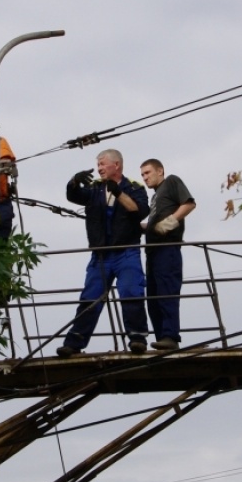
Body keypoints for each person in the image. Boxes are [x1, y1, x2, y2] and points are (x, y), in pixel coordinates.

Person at [57, 149, 150, 357]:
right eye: (97, 165)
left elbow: (139, 210)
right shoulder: (94, 189)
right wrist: (73, 182)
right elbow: (73, 196)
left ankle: (137, 338)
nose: (99, 168)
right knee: (90, 297)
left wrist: (117, 192)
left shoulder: (134, 187)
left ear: (116, 165)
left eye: (102, 164)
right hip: (100, 255)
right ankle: (74, 342)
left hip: (126, 251)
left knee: (131, 291)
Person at [140, 159, 195, 350]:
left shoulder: (171, 181)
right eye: (143, 175)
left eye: (147, 173)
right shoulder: (155, 197)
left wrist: (170, 222)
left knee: (166, 293)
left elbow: (189, 204)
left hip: (167, 248)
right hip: (152, 251)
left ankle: (170, 336)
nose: (145, 178)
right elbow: (155, 224)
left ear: (160, 171)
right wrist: (143, 227)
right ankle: (162, 338)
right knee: (153, 298)